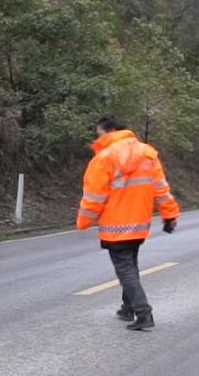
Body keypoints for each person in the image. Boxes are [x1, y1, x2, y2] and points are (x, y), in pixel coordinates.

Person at [77, 115, 181, 331]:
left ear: (111, 130)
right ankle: (127, 307)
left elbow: (94, 196)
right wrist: (169, 215)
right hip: (139, 224)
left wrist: (84, 221)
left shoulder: (103, 158)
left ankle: (143, 313)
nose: (98, 137)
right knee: (130, 265)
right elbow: (160, 189)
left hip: (115, 226)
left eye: (100, 133)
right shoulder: (147, 154)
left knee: (124, 269)